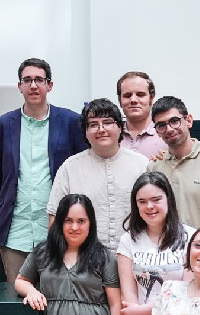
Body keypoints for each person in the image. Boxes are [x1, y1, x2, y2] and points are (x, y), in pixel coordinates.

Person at [0, 57, 88, 285]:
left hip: (60, 230)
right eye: (27, 80)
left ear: (49, 85)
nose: (33, 85)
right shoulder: (3, 125)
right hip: (16, 231)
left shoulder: (71, 121)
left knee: (59, 297)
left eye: (39, 80)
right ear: (20, 86)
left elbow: (81, 172)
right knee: (18, 298)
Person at [15, 193, 125, 315]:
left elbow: (116, 304)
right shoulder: (43, 252)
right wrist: (30, 291)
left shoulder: (104, 257)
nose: (75, 227)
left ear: (90, 223)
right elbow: (20, 281)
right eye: (68, 221)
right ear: (60, 222)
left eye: (81, 221)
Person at [116, 172, 193, 315]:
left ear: (168, 198)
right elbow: (128, 303)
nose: (149, 206)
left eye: (156, 199)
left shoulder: (190, 238)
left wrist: (143, 310)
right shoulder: (128, 241)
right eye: (142, 202)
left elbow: (186, 296)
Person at [47, 99, 148, 251]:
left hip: (135, 255)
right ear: (85, 132)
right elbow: (55, 217)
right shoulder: (70, 167)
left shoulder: (142, 164)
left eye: (108, 122)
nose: (101, 129)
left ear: (120, 127)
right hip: (85, 259)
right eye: (93, 124)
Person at [147, 96, 200, 229]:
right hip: (164, 247)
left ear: (189, 120)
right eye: (161, 125)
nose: (169, 129)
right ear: (157, 131)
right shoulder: (153, 167)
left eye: (174, 121)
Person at [117, 71, 167, 159]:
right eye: (127, 95)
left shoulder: (167, 134)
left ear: (151, 99)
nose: (133, 100)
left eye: (140, 95)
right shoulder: (111, 136)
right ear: (120, 101)